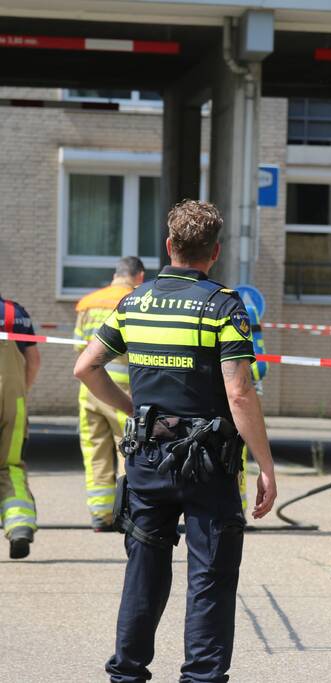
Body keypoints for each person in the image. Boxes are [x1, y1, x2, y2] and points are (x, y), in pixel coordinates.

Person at [74, 199, 277, 683]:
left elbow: (86, 367)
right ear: (215, 252)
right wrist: (266, 465)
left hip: (148, 460)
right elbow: (239, 391)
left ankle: (126, 673)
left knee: (144, 569)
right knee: (210, 577)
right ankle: (201, 678)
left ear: (170, 246)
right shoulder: (224, 305)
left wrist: (132, 411)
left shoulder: (134, 302)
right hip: (209, 464)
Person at [74, 256, 145, 531]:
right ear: (138, 276)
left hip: (89, 389)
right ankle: (128, 510)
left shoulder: (88, 303)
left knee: (94, 448)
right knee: (129, 449)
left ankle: (100, 514)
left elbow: (79, 348)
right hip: (120, 390)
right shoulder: (135, 301)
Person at [0, 293, 41, 559]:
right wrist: (20, 395)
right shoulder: (13, 312)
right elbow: (34, 359)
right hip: (11, 400)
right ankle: (19, 526)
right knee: (10, 465)